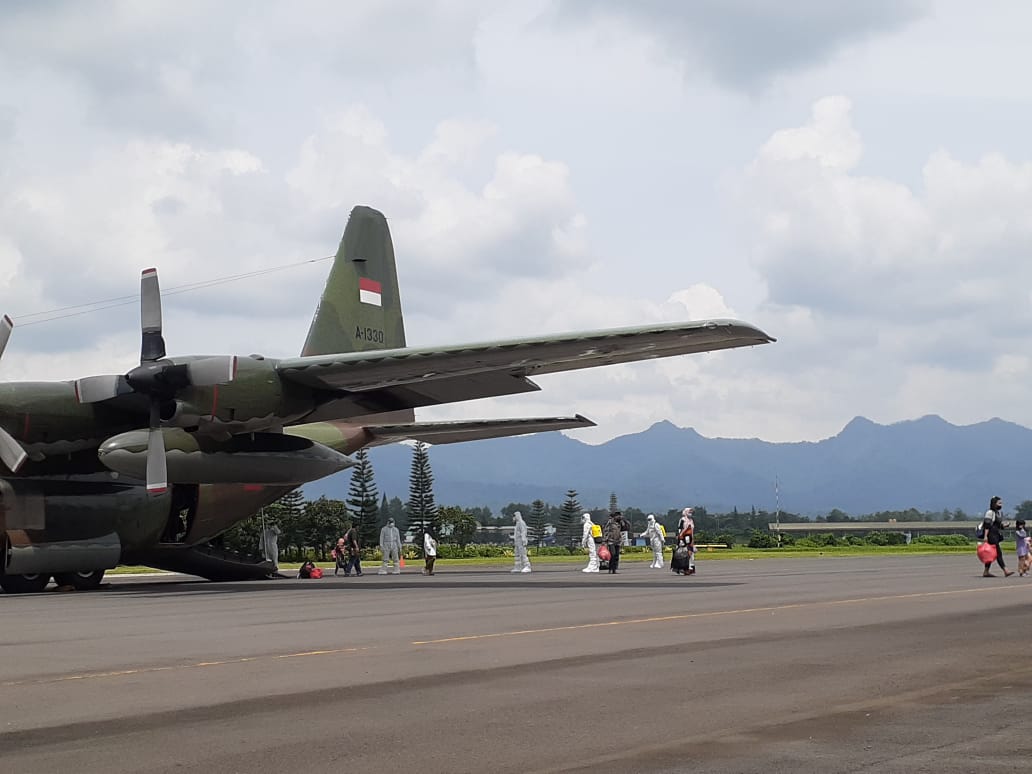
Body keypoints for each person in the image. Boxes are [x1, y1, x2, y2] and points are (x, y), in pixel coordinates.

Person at [981, 496, 1013, 578]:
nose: (1001, 505)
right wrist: (985, 536)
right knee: (998, 553)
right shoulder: (990, 512)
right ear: (994, 504)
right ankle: (1005, 570)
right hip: (991, 535)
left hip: (996, 535)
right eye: (999, 503)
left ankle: (986, 571)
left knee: (991, 554)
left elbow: (998, 525)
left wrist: (1005, 525)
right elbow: (987, 525)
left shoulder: (998, 513)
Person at [675, 507, 696, 576]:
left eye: (691, 512)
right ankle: (683, 568)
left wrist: (692, 540)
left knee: (691, 554)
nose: (690, 514)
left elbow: (692, 531)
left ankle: (690, 568)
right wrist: (681, 540)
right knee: (683, 554)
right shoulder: (682, 520)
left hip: (690, 539)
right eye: (689, 512)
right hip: (683, 539)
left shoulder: (691, 520)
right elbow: (679, 530)